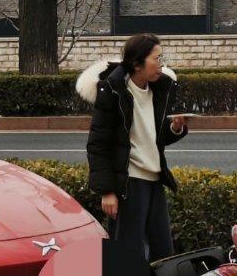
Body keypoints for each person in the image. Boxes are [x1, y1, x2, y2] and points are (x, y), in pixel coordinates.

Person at [78, 33, 189, 263]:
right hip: (129, 184)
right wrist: (107, 192)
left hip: (155, 181)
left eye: (162, 58)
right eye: (156, 58)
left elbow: (154, 138)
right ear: (138, 63)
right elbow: (98, 144)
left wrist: (176, 128)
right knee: (129, 255)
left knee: (163, 253)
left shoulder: (158, 91)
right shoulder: (113, 91)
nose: (162, 64)